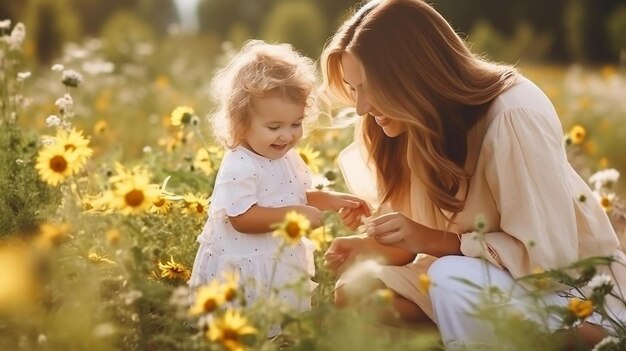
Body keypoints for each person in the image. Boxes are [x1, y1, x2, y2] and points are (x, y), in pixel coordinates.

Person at [320, 0, 626, 349]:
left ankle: (593, 334)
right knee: (356, 292)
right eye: (353, 88)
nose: (361, 107)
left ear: (413, 74)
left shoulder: (511, 113)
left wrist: (432, 241)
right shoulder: (402, 126)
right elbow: (416, 238)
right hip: (487, 280)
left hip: (575, 292)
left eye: (370, 87)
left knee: (449, 277)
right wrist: (368, 248)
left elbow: (546, 264)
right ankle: (517, 338)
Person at [188, 40, 369, 325]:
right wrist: (295, 216)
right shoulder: (241, 163)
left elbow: (292, 196)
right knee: (244, 330)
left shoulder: (287, 157)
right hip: (246, 267)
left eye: (295, 124)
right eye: (274, 127)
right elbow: (242, 217)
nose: (286, 136)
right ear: (241, 122)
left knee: (280, 328)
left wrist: (330, 200)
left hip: (277, 264)